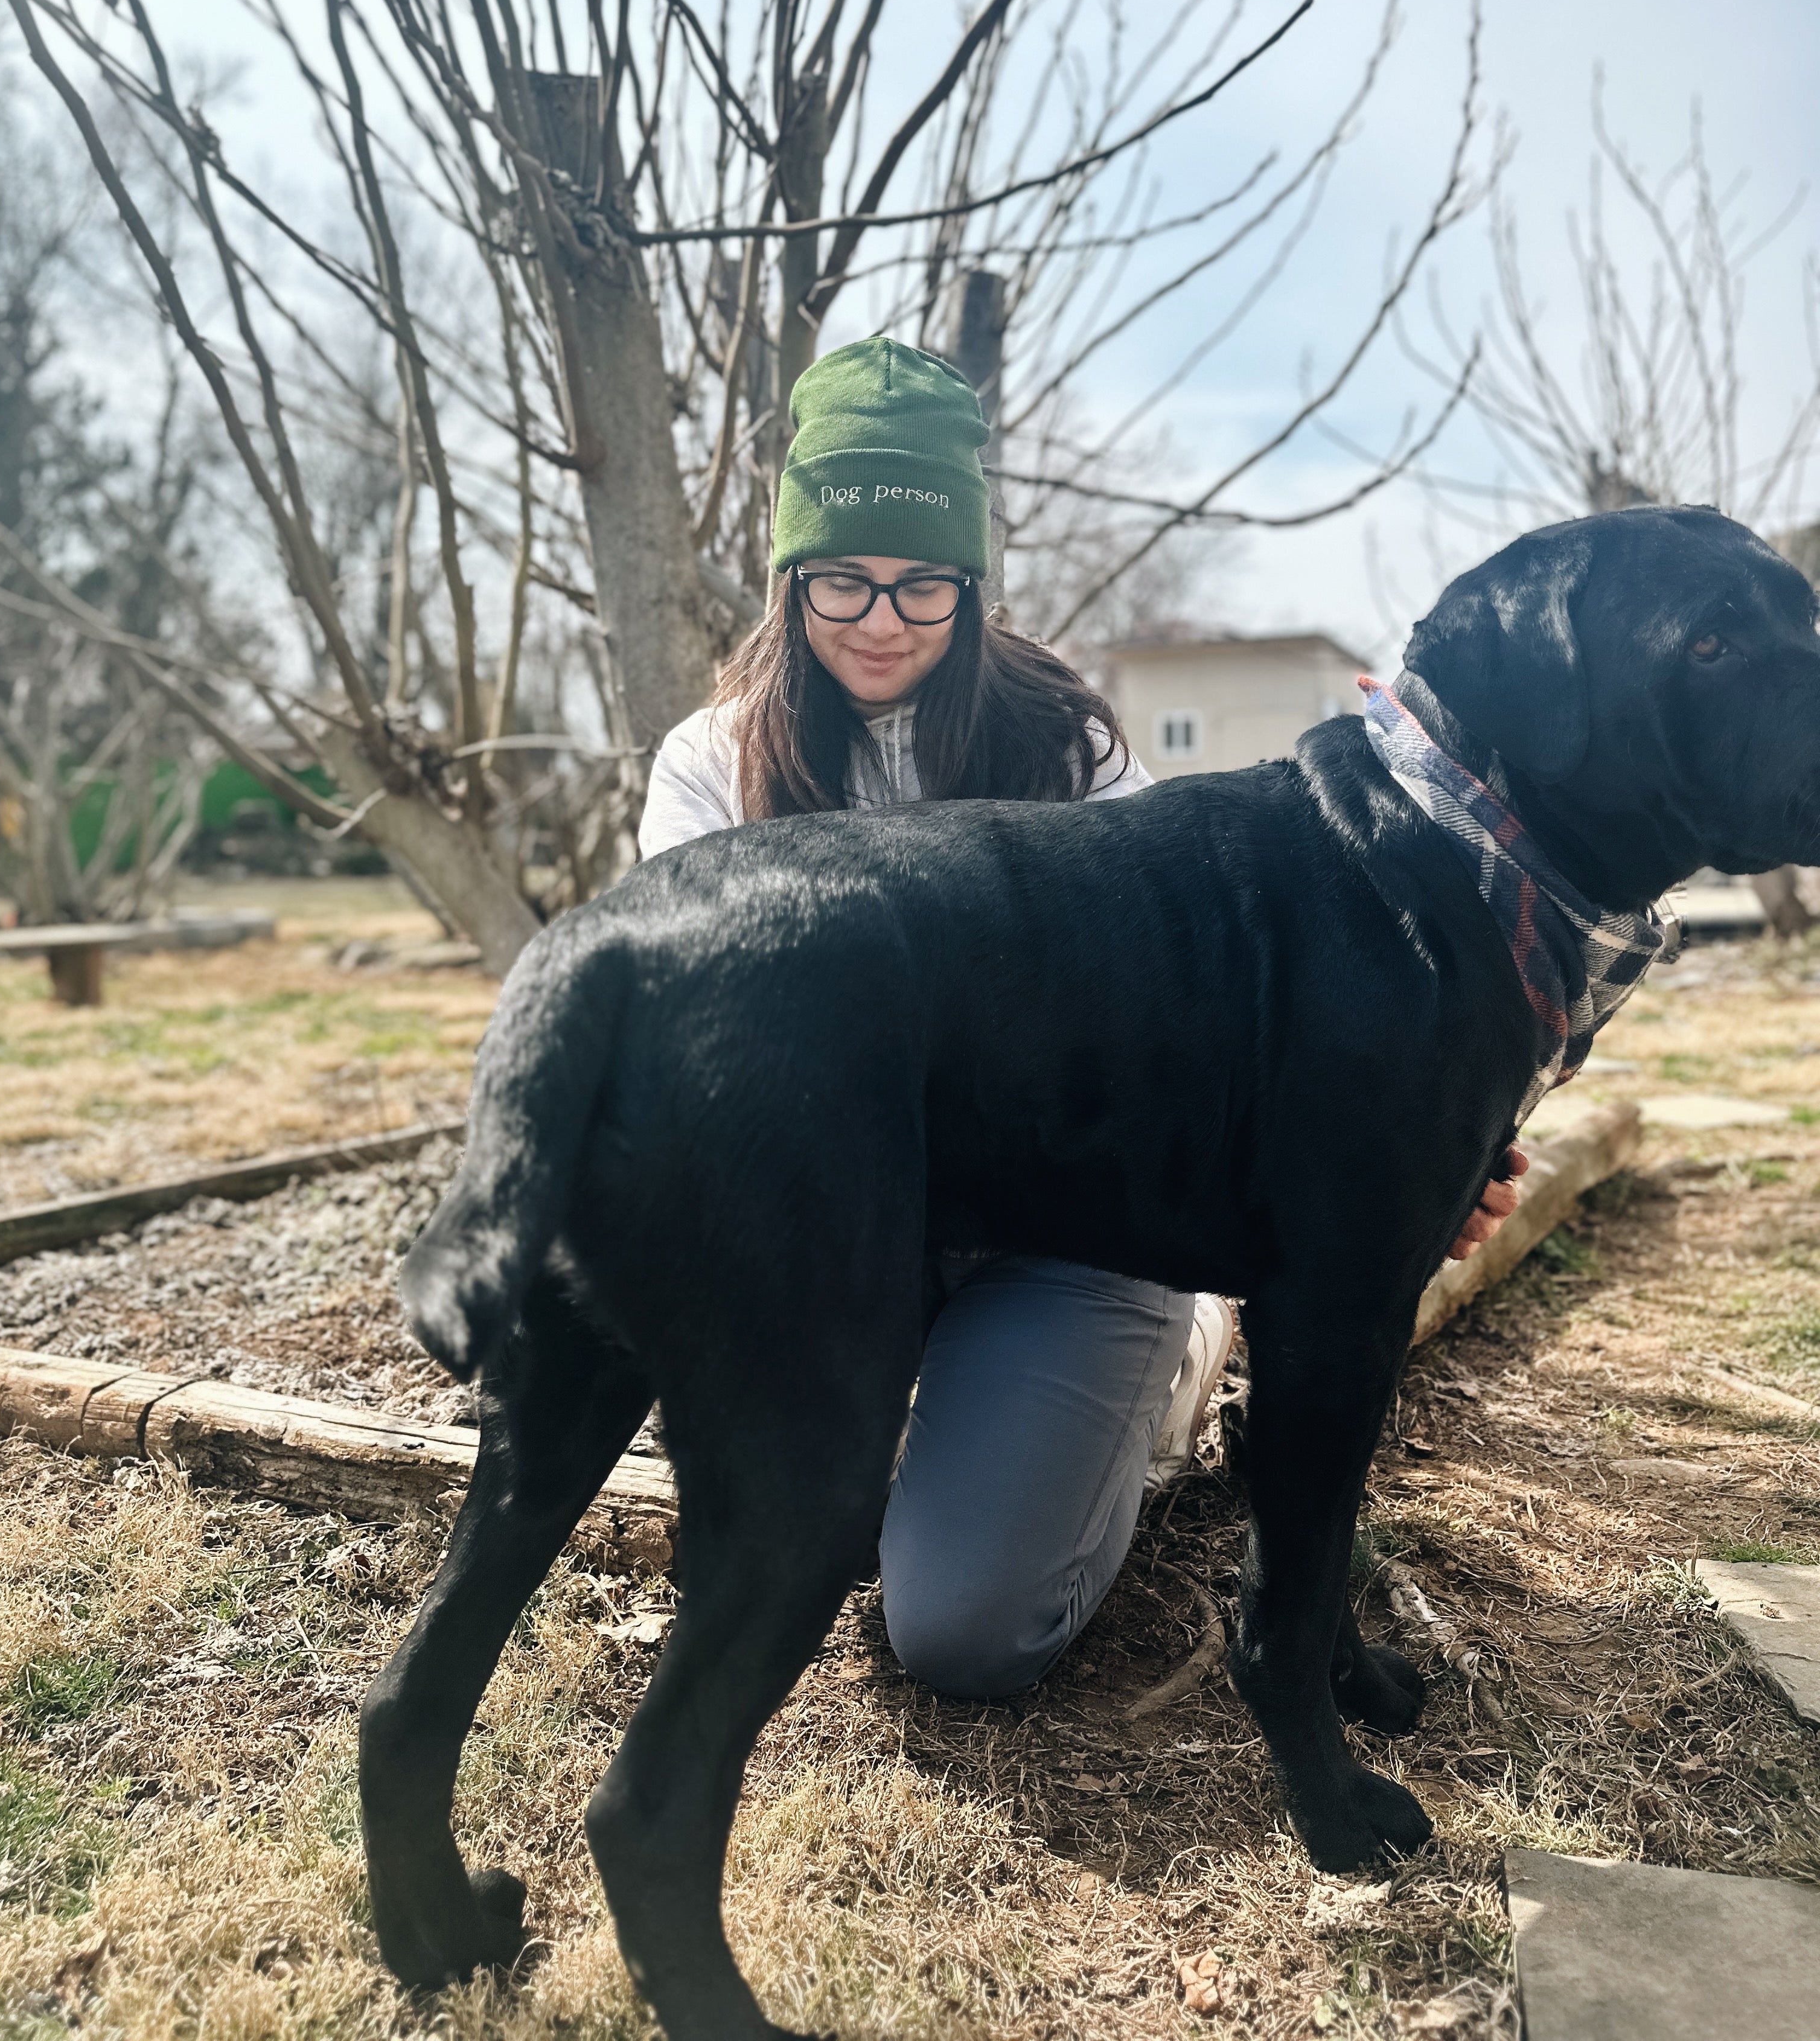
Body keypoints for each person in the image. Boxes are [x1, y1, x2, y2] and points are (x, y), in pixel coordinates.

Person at [639, 333, 1521, 1698]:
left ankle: (1170, 1358)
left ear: (974, 581)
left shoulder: (1072, 752)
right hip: (831, 1239)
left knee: (960, 1631)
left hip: (1061, 1237)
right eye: (842, 580)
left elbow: (1187, 1038)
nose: (883, 618)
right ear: (788, 576)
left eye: (925, 582)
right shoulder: (711, 774)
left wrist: (1389, 1170)